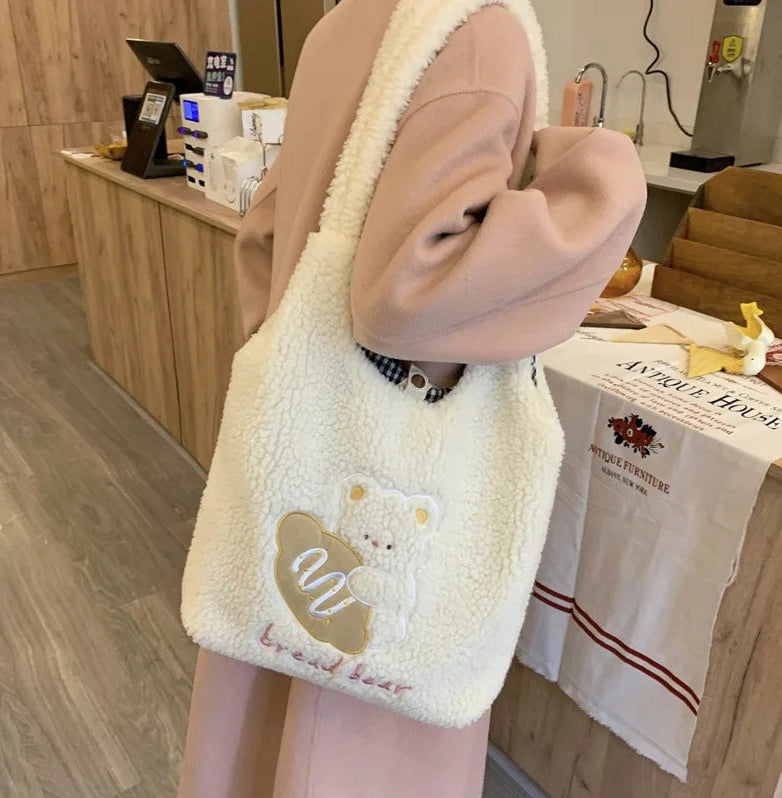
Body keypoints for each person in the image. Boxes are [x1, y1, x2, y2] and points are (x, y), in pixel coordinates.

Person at [176, 0, 647, 796]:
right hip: (404, 491)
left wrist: (300, 372)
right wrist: (598, 181)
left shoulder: (343, 23)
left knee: (262, 718)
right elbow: (410, 293)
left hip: (298, 489)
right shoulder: (481, 31)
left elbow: (263, 234)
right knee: (359, 740)